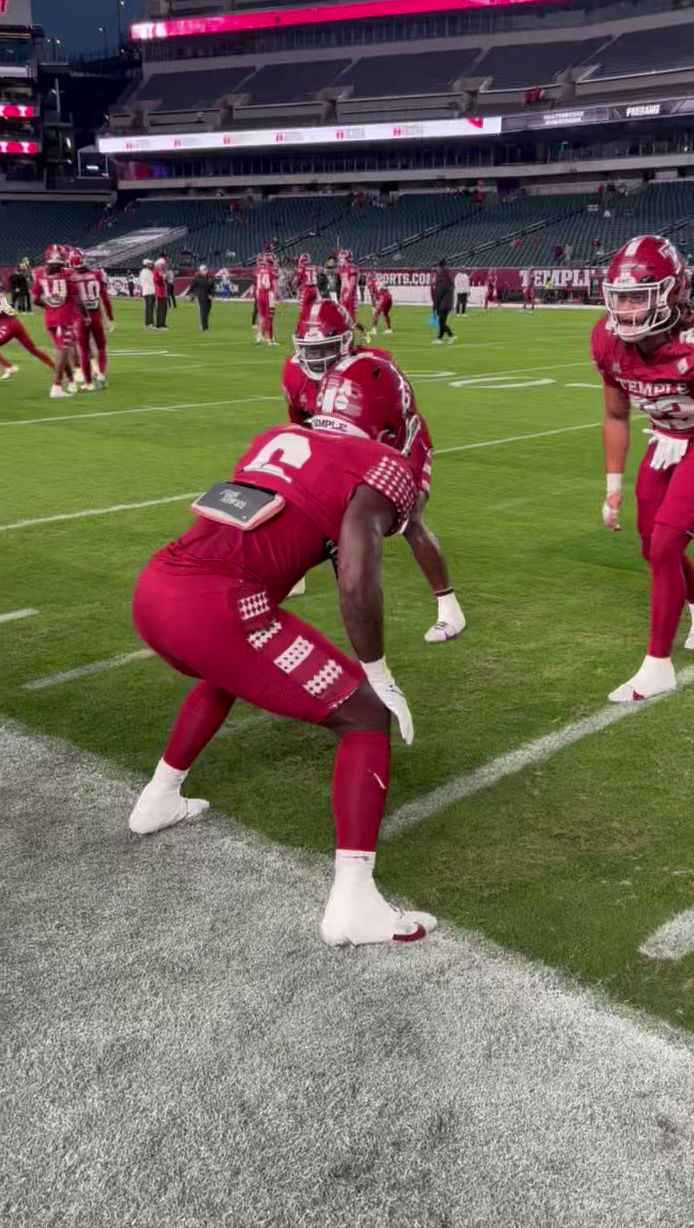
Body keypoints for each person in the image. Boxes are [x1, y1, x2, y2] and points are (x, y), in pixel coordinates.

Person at [129, 357, 437, 948]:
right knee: (365, 712)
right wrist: (378, 670)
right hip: (216, 606)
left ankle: (157, 799)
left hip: (157, 587)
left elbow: (263, 518)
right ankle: (355, 903)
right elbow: (355, 575)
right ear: (388, 423)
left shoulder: (277, 436)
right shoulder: (381, 462)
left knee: (230, 673)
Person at [283, 299, 466, 643]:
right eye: (311, 349)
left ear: (346, 340)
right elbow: (300, 426)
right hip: (342, 446)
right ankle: (297, 572)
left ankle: (448, 606)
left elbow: (396, 423)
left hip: (399, 442)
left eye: (325, 348)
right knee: (306, 505)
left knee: (410, 519)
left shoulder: (375, 368)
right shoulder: (294, 373)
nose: (316, 358)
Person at [593, 234, 694, 702]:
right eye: (619, 296)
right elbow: (616, 414)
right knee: (650, 547)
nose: (624, 309)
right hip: (664, 441)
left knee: (666, 545)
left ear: (670, 292)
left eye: (637, 296)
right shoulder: (607, 340)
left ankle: (658, 665)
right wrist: (612, 484)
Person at [31, 244, 88, 399]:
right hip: (66, 319)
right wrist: (86, 315)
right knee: (63, 351)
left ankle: (70, 382)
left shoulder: (40, 274)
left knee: (63, 350)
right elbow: (77, 299)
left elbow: (35, 299)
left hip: (50, 319)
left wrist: (48, 306)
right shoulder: (68, 274)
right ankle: (56, 386)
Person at [69, 248, 113, 388]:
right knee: (101, 347)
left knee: (84, 350)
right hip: (96, 315)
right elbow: (105, 298)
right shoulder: (98, 274)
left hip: (80, 317)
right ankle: (100, 374)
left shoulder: (71, 278)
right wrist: (110, 317)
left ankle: (88, 382)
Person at [0, 292, 54, 381]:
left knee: (32, 349)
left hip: (8, 325)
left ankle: (8, 367)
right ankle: (55, 368)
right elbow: (10, 310)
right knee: (32, 349)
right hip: (16, 323)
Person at [254, 253, 278, 345]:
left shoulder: (259, 270)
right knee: (269, 317)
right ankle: (269, 339)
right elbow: (275, 285)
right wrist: (278, 297)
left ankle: (259, 337)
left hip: (260, 294)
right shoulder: (271, 271)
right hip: (268, 294)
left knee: (261, 317)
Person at [431, 260, 455, 345]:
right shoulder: (448, 276)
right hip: (447, 304)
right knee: (442, 322)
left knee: (441, 322)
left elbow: (439, 294)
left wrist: (434, 306)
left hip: (443, 304)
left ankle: (450, 335)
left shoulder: (442, 278)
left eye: (437, 267)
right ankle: (440, 338)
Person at [188, 265, 215, 332]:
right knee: (203, 312)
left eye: (206, 269)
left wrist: (212, 294)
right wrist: (191, 294)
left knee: (207, 312)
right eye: (204, 270)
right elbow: (192, 286)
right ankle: (204, 327)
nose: (206, 270)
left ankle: (204, 325)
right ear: (201, 271)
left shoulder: (210, 278)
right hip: (202, 297)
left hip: (209, 297)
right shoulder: (197, 278)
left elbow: (213, 287)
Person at [153, 258, 169, 329]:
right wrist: (161, 276)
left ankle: (163, 323)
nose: (163, 266)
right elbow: (156, 280)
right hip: (159, 293)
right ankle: (159, 324)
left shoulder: (163, 271)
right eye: (162, 265)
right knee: (160, 309)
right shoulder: (156, 271)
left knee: (164, 309)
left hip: (164, 293)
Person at [140, 259, 155, 328]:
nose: (151, 265)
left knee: (150, 308)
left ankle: (149, 322)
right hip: (148, 291)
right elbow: (143, 283)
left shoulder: (149, 272)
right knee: (149, 308)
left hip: (150, 291)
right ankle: (149, 323)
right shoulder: (145, 272)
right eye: (149, 264)